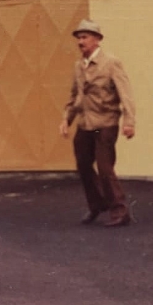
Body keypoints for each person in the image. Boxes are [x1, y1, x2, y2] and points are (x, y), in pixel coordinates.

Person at [58, 20, 136, 227]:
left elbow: (125, 93)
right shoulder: (78, 66)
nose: (80, 42)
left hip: (105, 122)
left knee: (104, 167)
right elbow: (75, 95)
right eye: (79, 38)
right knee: (83, 165)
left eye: (84, 37)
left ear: (97, 40)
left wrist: (129, 122)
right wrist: (67, 119)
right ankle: (97, 204)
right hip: (85, 123)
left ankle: (120, 211)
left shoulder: (110, 63)